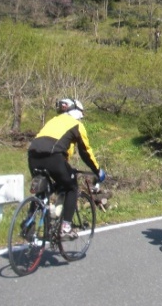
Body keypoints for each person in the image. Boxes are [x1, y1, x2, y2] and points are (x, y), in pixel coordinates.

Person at [28, 98, 105, 240]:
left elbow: (63, 147)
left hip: (32, 154)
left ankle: (29, 223)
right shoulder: (76, 125)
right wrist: (97, 170)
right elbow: (85, 152)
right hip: (53, 157)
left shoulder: (53, 121)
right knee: (72, 187)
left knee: (43, 189)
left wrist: (65, 165)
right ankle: (66, 227)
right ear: (77, 112)